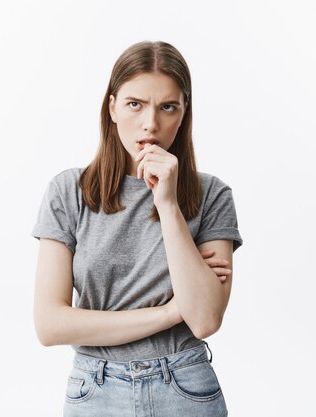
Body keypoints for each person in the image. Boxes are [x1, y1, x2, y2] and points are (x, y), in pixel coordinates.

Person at [31, 40, 243, 417]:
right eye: (135, 104)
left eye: (167, 107)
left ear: (183, 113)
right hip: (95, 390)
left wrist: (168, 205)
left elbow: (206, 318)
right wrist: (168, 313)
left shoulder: (211, 195)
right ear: (111, 107)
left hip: (184, 386)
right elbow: (50, 324)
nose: (151, 124)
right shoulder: (69, 192)